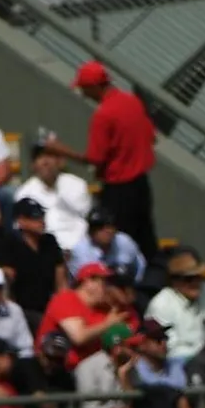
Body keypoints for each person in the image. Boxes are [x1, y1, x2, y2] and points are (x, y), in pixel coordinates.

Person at [73, 59, 155, 274]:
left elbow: (95, 158)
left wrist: (58, 149)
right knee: (146, 239)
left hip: (119, 189)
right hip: (142, 184)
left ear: (94, 87)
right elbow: (151, 137)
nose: (83, 94)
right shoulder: (132, 102)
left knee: (119, 245)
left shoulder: (103, 115)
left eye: (84, 89)